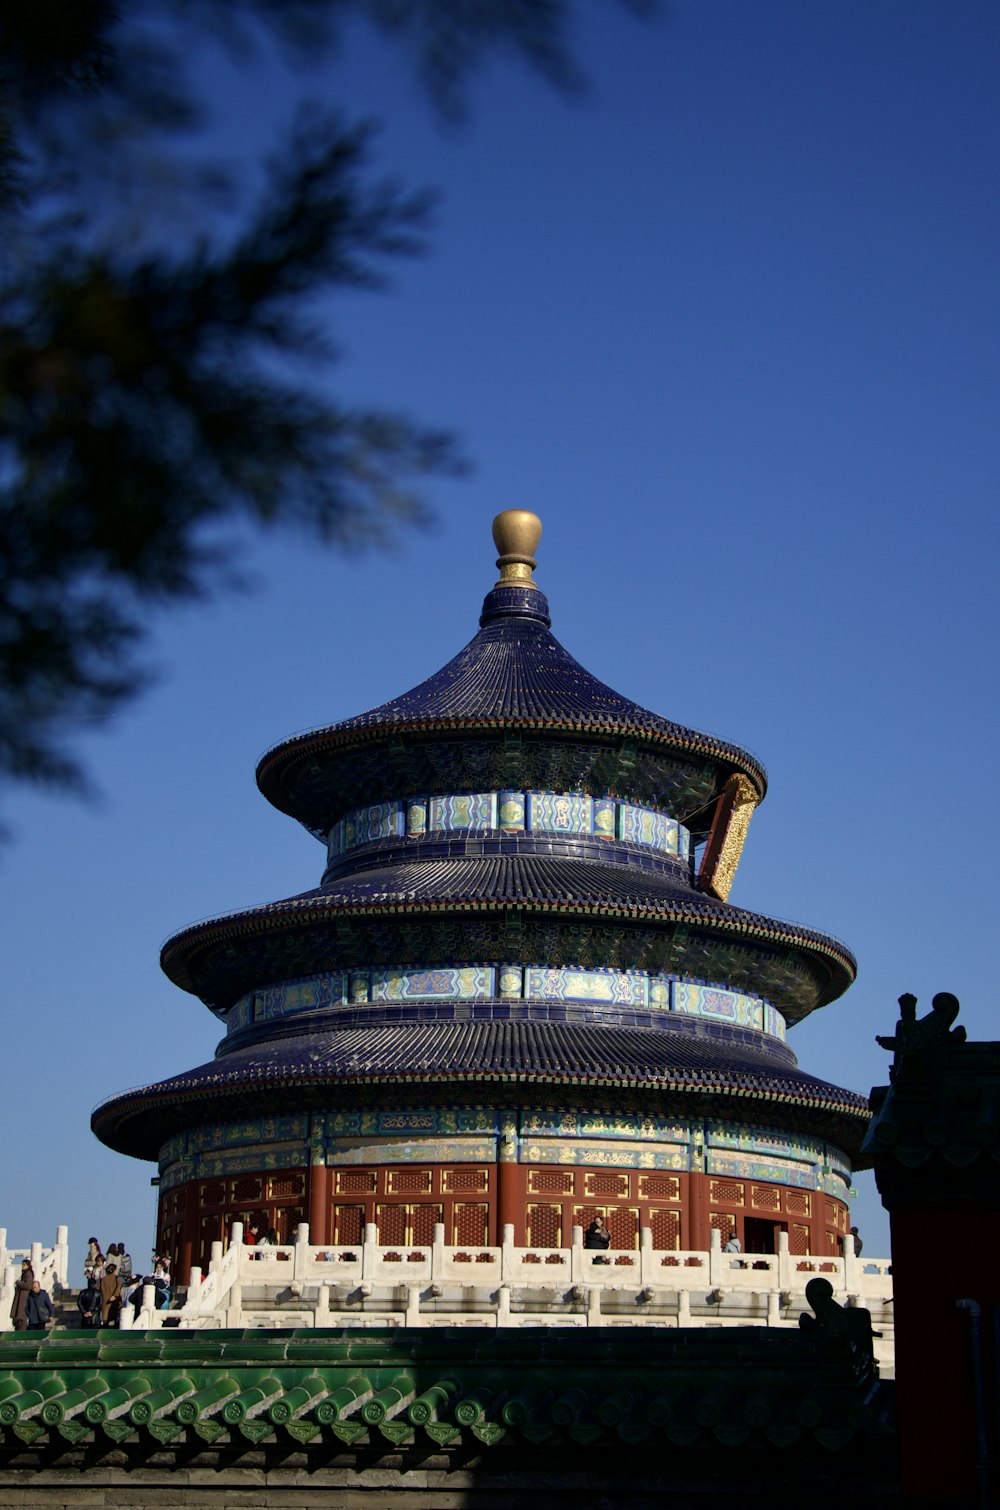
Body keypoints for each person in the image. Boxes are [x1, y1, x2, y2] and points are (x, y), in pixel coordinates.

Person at [9, 1260, 34, 1331]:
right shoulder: (25, 1273)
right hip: (21, 1297)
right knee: (18, 1319)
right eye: (22, 1264)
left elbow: (28, 1285)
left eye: (24, 1264)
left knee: (21, 1318)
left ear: (28, 1265)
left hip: (24, 1298)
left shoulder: (29, 1273)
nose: (22, 1266)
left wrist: (18, 1283)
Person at [100, 1263, 122, 1327]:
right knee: (115, 1321)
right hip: (114, 1303)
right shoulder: (117, 1278)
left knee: (105, 1321)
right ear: (115, 1270)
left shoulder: (103, 1279)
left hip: (105, 1302)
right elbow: (119, 1287)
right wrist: (115, 1295)